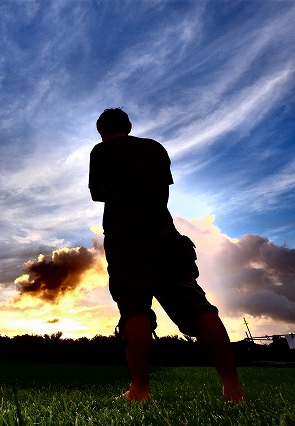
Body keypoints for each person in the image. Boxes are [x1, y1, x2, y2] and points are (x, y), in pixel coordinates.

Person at [88, 108, 245, 402]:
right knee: (196, 304)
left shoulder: (101, 151)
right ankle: (233, 387)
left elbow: (98, 193)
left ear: (101, 131)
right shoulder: (155, 148)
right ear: (129, 125)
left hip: (126, 238)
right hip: (165, 234)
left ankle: (139, 389)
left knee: (134, 309)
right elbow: (162, 187)